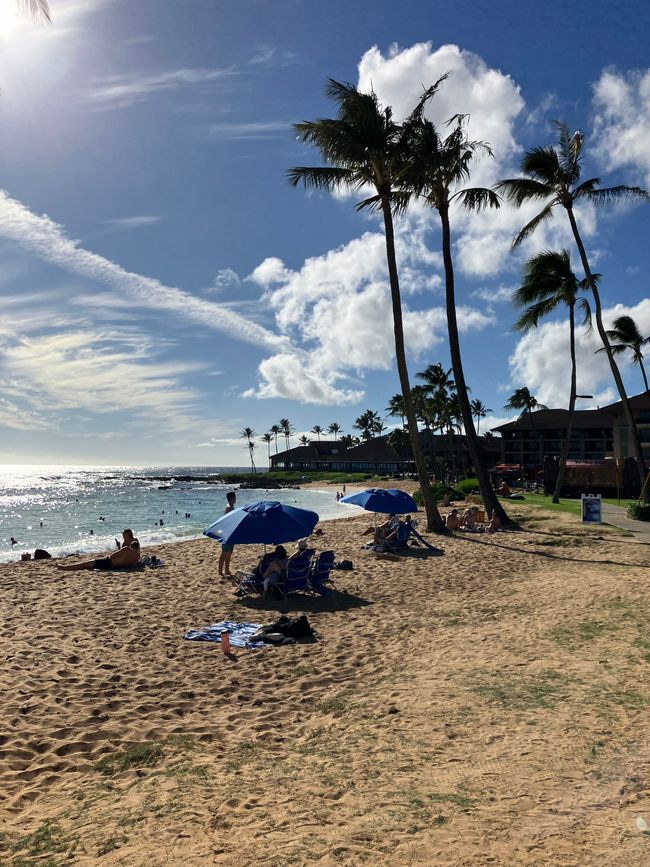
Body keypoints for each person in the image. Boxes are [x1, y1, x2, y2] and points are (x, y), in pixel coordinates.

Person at [57, 539, 141, 571]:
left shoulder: (127, 549)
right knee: (90, 566)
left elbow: (112, 556)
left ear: (131, 546)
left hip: (109, 564)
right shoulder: (137, 556)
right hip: (117, 567)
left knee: (87, 563)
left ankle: (64, 567)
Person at [218, 491, 237, 578]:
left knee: (229, 552)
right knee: (225, 552)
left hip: (230, 533)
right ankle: (220, 571)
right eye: (235, 497)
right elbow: (228, 521)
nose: (235, 499)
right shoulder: (229, 508)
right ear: (233, 499)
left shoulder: (231, 507)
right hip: (227, 533)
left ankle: (226, 570)